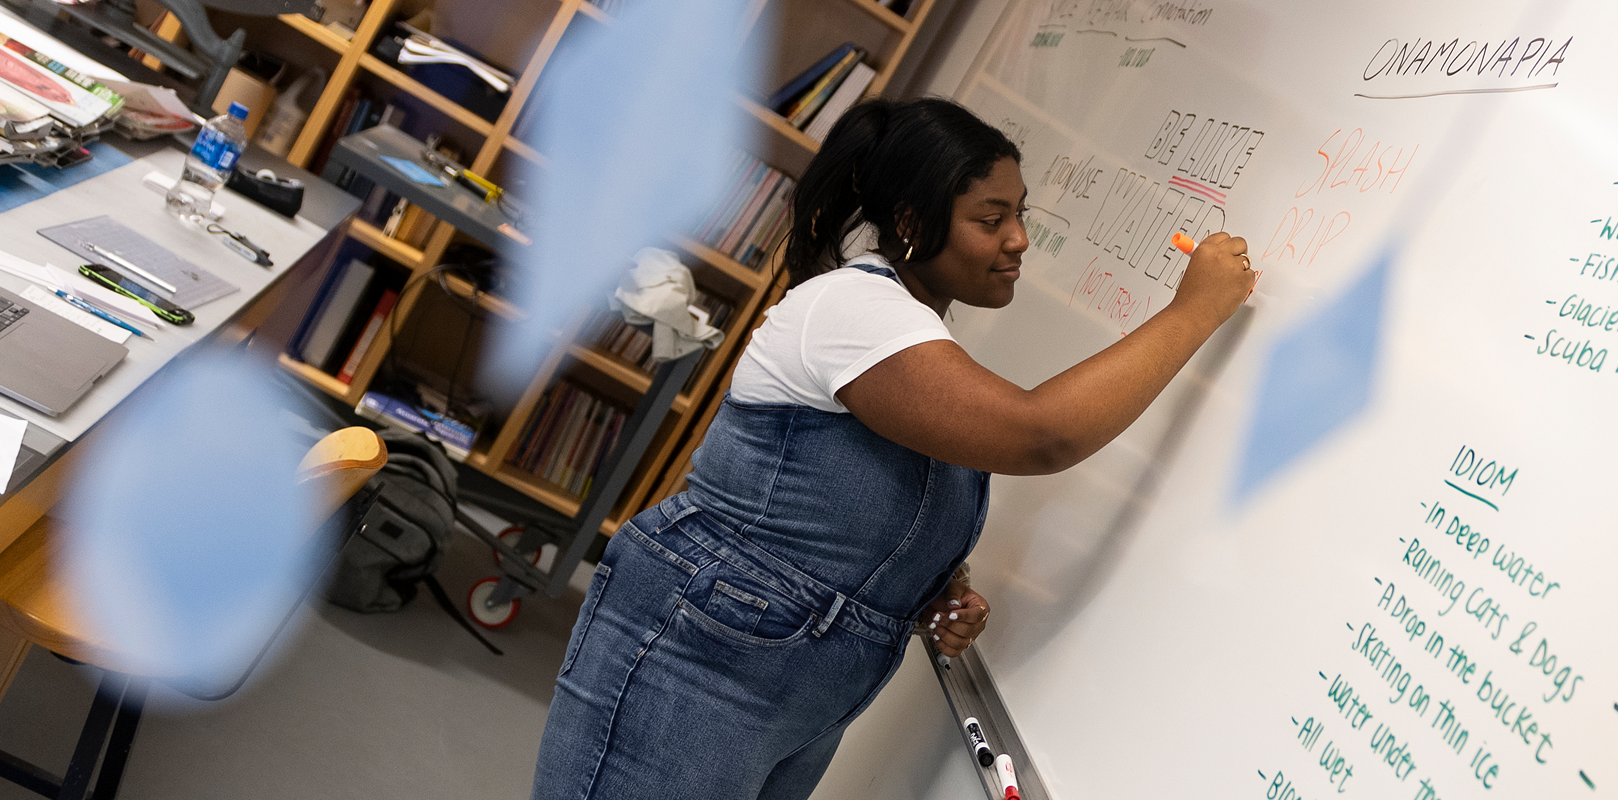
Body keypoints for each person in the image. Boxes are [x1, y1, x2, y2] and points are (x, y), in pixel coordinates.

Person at [532, 97, 1255, 799]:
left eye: (1020, 213)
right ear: (911, 223)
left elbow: (857, 503)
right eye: (991, 218)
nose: (1019, 239)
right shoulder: (855, 309)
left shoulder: (912, 335)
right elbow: (1044, 434)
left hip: (795, 677)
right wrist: (1193, 311)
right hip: (707, 656)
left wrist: (921, 584)